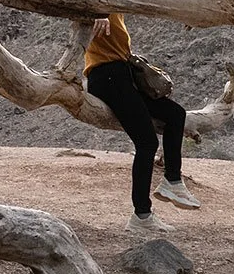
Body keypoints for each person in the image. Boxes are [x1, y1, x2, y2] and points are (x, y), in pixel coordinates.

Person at [84, 13, 200, 232]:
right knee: (146, 142)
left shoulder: (116, 5)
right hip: (107, 76)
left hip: (122, 75)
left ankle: (172, 181)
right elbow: (73, 0)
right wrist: (96, 12)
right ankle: (142, 215)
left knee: (176, 114)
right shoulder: (96, 0)